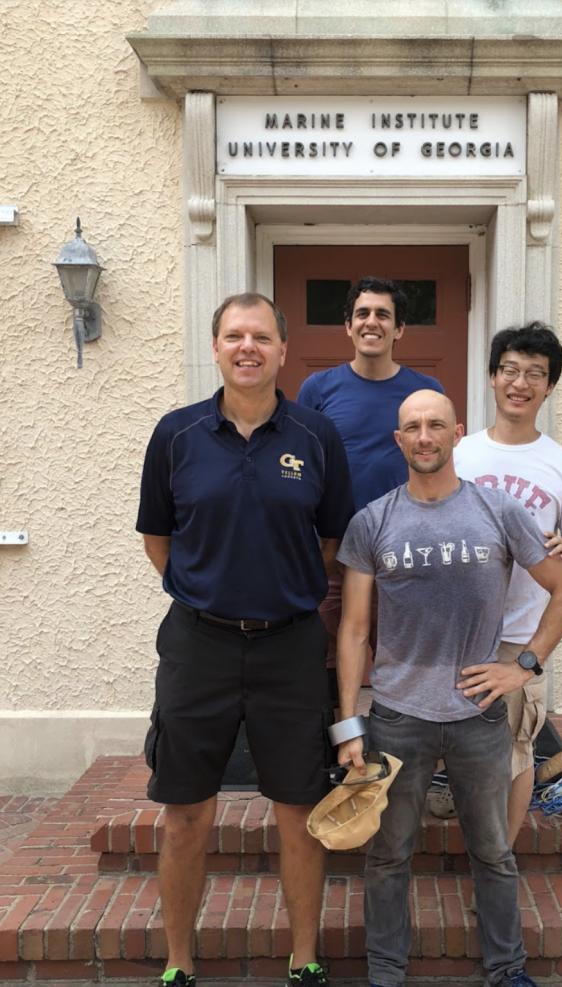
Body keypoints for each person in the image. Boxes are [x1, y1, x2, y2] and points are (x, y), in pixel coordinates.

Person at [136, 292, 354, 987]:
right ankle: (179, 960)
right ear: (216, 347)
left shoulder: (317, 436)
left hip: (290, 646)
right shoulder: (176, 434)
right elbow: (157, 537)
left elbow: (329, 541)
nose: (248, 347)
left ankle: (304, 956)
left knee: (299, 809)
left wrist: (273, 591)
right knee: (185, 813)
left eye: (261, 335)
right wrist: (211, 592)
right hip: (198, 644)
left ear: (284, 350)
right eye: (234, 335)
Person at [334, 389, 562, 987]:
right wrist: (348, 725)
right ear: (400, 440)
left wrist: (524, 665)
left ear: (456, 434)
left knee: (493, 852)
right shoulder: (374, 521)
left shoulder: (499, 512)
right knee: (389, 854)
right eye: (413, 427)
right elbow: (353, 628)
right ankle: (385, 973)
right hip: (397, 716)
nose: (424, 436)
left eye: (436, 426)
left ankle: (506, 968)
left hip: (478, 713)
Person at [450, 322, 562, 842]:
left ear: (549, 386)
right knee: (456, 741)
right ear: (492, 377)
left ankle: (499, 863)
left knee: (514, 753)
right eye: (510, 370)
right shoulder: (460, 452)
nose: (521, 382)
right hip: (457, 629)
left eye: (535, 374)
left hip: (520, 635)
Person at [296, 276, 443, 682]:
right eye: (362, 313)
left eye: (383, 314)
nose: (371, 322)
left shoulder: (425, 391)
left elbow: (442, 469)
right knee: (324, 664)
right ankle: (333, 745)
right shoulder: (318, 389)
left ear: (398, 329)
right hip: (333, 556)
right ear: (348, 325)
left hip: (406, 553)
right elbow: (300, 471)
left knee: (408, 667)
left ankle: (396, 746)